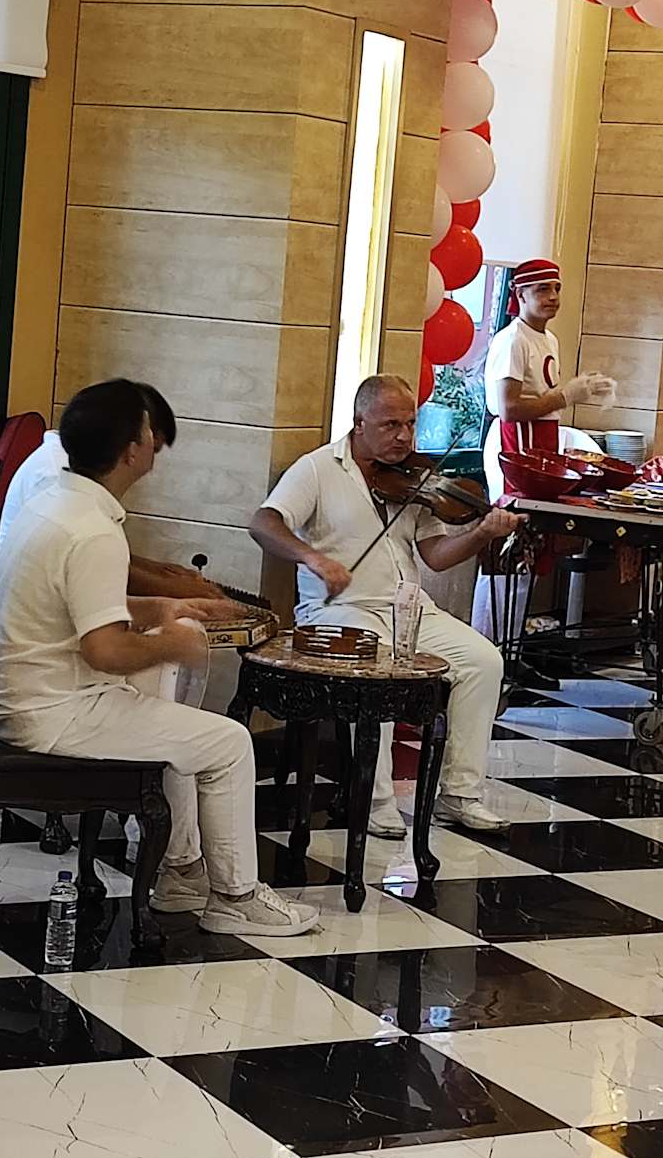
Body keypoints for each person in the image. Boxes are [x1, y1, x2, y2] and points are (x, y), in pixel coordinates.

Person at [0, 379, 317, 939]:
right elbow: (106, 649)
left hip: (23, 699)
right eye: (148, 434)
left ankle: (182, 873)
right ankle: (234, 898)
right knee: (229, 743)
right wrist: (175, 642)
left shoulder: (55, 503)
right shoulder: (92, 530)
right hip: (51, 713)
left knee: (182, 727)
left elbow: (80, 606)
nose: (155, 445)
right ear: (133, 450)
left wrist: (162, 606)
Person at [250, 374, 521, 837]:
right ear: (359, 423)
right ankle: (372, 800)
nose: (404, 436)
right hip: (339, 611)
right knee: (380, 668)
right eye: (391, 425)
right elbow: (263, 522)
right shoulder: (317, 469)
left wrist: (480, 534)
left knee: (483, 661)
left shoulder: (414, 478)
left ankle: (459, 794)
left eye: (410, 424)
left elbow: (436, 556)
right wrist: (314, 558)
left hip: (407, 609)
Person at [473, 258, 613, 646]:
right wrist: (565, 396)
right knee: (510, 549)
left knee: (532, 553)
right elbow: (508, 408)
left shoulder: (549, 340)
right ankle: (487, 647)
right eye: (542, 290)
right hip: (514, 443)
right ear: (520, 294)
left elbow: (545, 400)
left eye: (556, 289)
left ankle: (511, 649)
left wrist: (580, 389)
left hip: (542, 443)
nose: (552, 297)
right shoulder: (512, 340)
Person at [0, 383, 231, 608]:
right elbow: (91, 563)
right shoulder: (57, 478)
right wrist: (174, 592)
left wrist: (162, 574)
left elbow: (91, 556)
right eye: (152, 443)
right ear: (130, 445)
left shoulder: (77, 484)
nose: (153, 460)